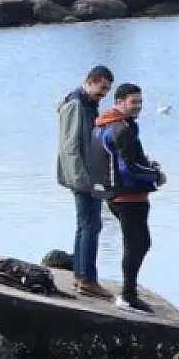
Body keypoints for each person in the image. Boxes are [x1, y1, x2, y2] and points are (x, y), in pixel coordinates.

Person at [90, 83, 165, 314]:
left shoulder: (103, 125)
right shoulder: (121, 129)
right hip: (128, 197)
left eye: (140, 102)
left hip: (114, 194)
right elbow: (129, 168)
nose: (138, 106)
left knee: (139, 243)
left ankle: (128, 291)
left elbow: (121, 160)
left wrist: (148, 164)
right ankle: (128, 296)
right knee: (137, 243)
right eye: (133, 102)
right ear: (119, 102)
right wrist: (156, 175)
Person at [56, 65, 114, 299]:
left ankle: (81, 277)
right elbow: (70, 146)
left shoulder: (87, 103)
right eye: (102, 88)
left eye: (107, 90)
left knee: (86, 225)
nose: (104, 94)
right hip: (83, 177)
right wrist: (82, 180)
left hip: (88, 174)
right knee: (91, 225)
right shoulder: (76, 104)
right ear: (90, 81)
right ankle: (87, 279)